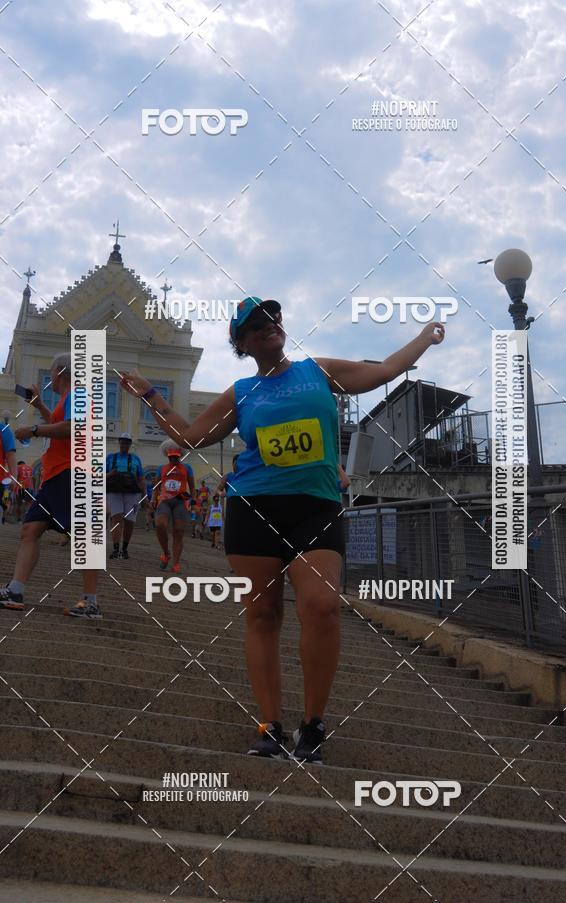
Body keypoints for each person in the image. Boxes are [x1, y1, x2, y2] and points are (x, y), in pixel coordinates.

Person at [120, 297, 444, 763]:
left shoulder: (319, 370)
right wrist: (150, 395)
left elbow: (384, 371)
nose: (268, 326)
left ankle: (312, 724)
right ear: (241, 343)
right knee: (263, 615)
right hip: (253, 507)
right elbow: (190, 437)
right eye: (255, 325)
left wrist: (423, 338)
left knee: (322, 605)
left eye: (272, 318)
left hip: (315, 506)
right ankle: (270, 726)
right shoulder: (241, 392)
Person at [0, 353, 101, 617]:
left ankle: (90, 603)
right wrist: (40, 406)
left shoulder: (78, 395)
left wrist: (34, 430)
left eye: (51, 373)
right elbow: (60, 423)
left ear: (60, 372)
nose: (50, 379)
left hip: (71, 473)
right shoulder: (67, 400)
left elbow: (72, 428)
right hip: (56, 475)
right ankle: (15, 591)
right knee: (30, 530)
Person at [152, 441, 195, 573]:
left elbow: (192, 487)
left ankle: (175, 564)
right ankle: (166, 553)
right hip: (165, 500)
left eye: (176, 457)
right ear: (168, 456)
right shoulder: (162, 468)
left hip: (180, 501)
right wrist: (154, 498)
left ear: (180, 456)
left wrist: (193, 501)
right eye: (171, 457)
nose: (174, 459)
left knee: (179, 532)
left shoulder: (187, 468)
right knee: (160, 524)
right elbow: (156, 485)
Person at [106, 432, 146, 559]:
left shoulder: (135, 459)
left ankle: (125, 548)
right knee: (116, 518)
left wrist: (145, 496)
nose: (124, 444)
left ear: (130, 444)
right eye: (122, 442)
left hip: (132, 493)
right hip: (114, 492)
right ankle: (116, 548)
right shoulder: (110, 458)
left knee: (129, 521)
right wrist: (110, 474)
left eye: (127, 442)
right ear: (119, 443)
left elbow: (141, 478)